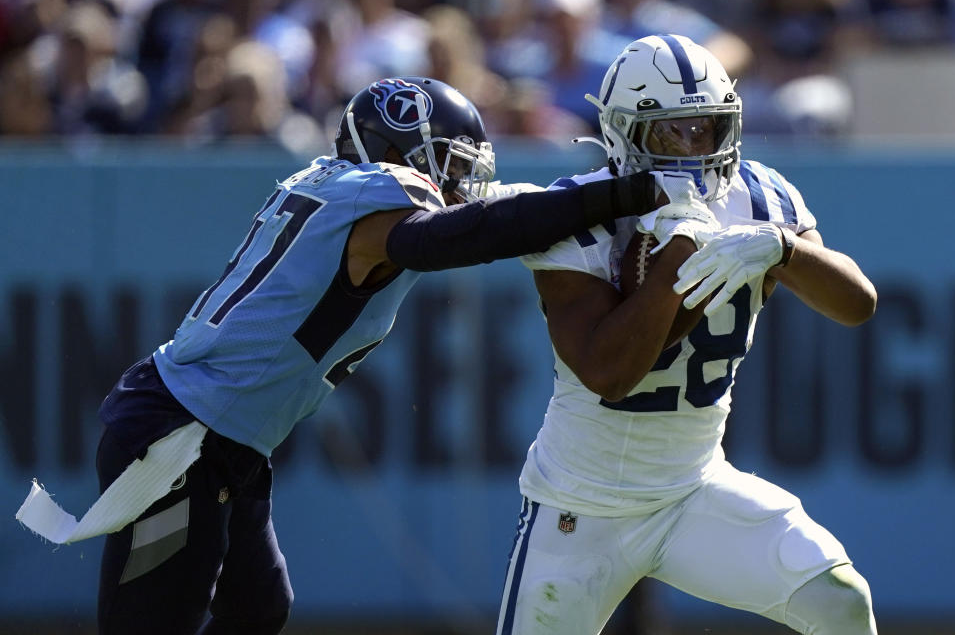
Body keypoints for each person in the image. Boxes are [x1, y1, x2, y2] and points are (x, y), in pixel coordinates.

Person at [15, 76, 672, 635]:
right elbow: (450, 239)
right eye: (446, 162)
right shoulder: (378, 202)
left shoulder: (333, 183)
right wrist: (615, 197)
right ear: (393, 149)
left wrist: (594, 191)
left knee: (258, 606)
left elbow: (498, 209)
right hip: (181, 440)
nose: (459, 182)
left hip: (215, 436)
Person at [496, 35, 878, 635]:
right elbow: (611, 374)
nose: (694, 149)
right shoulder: (575, 213)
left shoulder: (760, 198)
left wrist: (785, 249)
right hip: (581, 505)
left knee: (840, 601)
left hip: (693, 489)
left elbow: (858, 305)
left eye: (708, 129)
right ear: (622, 134)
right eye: (670, 132)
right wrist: (681, 250)